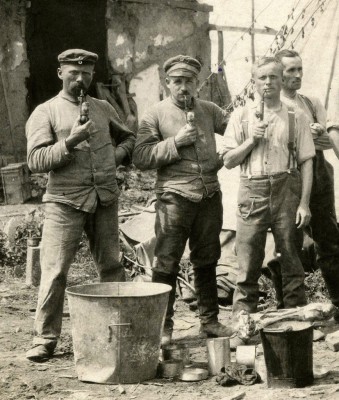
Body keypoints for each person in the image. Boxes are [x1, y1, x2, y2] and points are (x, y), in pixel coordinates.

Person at [25, 49, 135, 361]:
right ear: (60, 73)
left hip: (104, 199)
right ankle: (44, 340)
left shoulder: (102, 107)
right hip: (65, 201)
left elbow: (129, 138)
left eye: (86, 73)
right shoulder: (45, 112)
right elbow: (35, 160)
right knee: (56, 271)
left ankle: (120, 331)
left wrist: (117, 155)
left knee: (112, 267)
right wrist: (71, 141)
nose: (80, 78)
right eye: (73, 72)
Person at [133, 55, 232, 345]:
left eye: (189, 81)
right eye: (177, 81)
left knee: (208, 259)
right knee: (166, 261)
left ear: (197, 83)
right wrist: (176, 143)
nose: (184, 87)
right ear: (167, 83)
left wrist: (225, 157)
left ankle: (210, 322)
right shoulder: (155, 114)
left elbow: (238, 132)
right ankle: (162, 328)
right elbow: (140, 157)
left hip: (209, 195)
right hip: (174, 198)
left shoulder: (210, 111)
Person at [222, 57, 315, 346]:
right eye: (262, 77)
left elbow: (307, 162)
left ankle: (295, 323)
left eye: (274, 77)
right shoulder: (241, 116)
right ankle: (243, 325)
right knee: (248, 261)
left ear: (281, 79)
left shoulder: (294, 114)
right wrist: (251, 140)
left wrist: (304, 203)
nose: (268, 83)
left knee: (290, 258)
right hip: (252, 191)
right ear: (254, 80)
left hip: (287, 188)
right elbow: (227, 161)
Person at [273, 49, 339, 313]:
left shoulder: (311, 103)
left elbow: (324, 143)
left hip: (319, 178)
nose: (297, 75)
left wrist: (320, 133)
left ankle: (337, 303)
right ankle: (287, 306)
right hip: (288, 179)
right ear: (278, 73)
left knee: (330, 241)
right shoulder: (272, 105)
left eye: (300, 69)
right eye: (291, 70)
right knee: (286, 243)